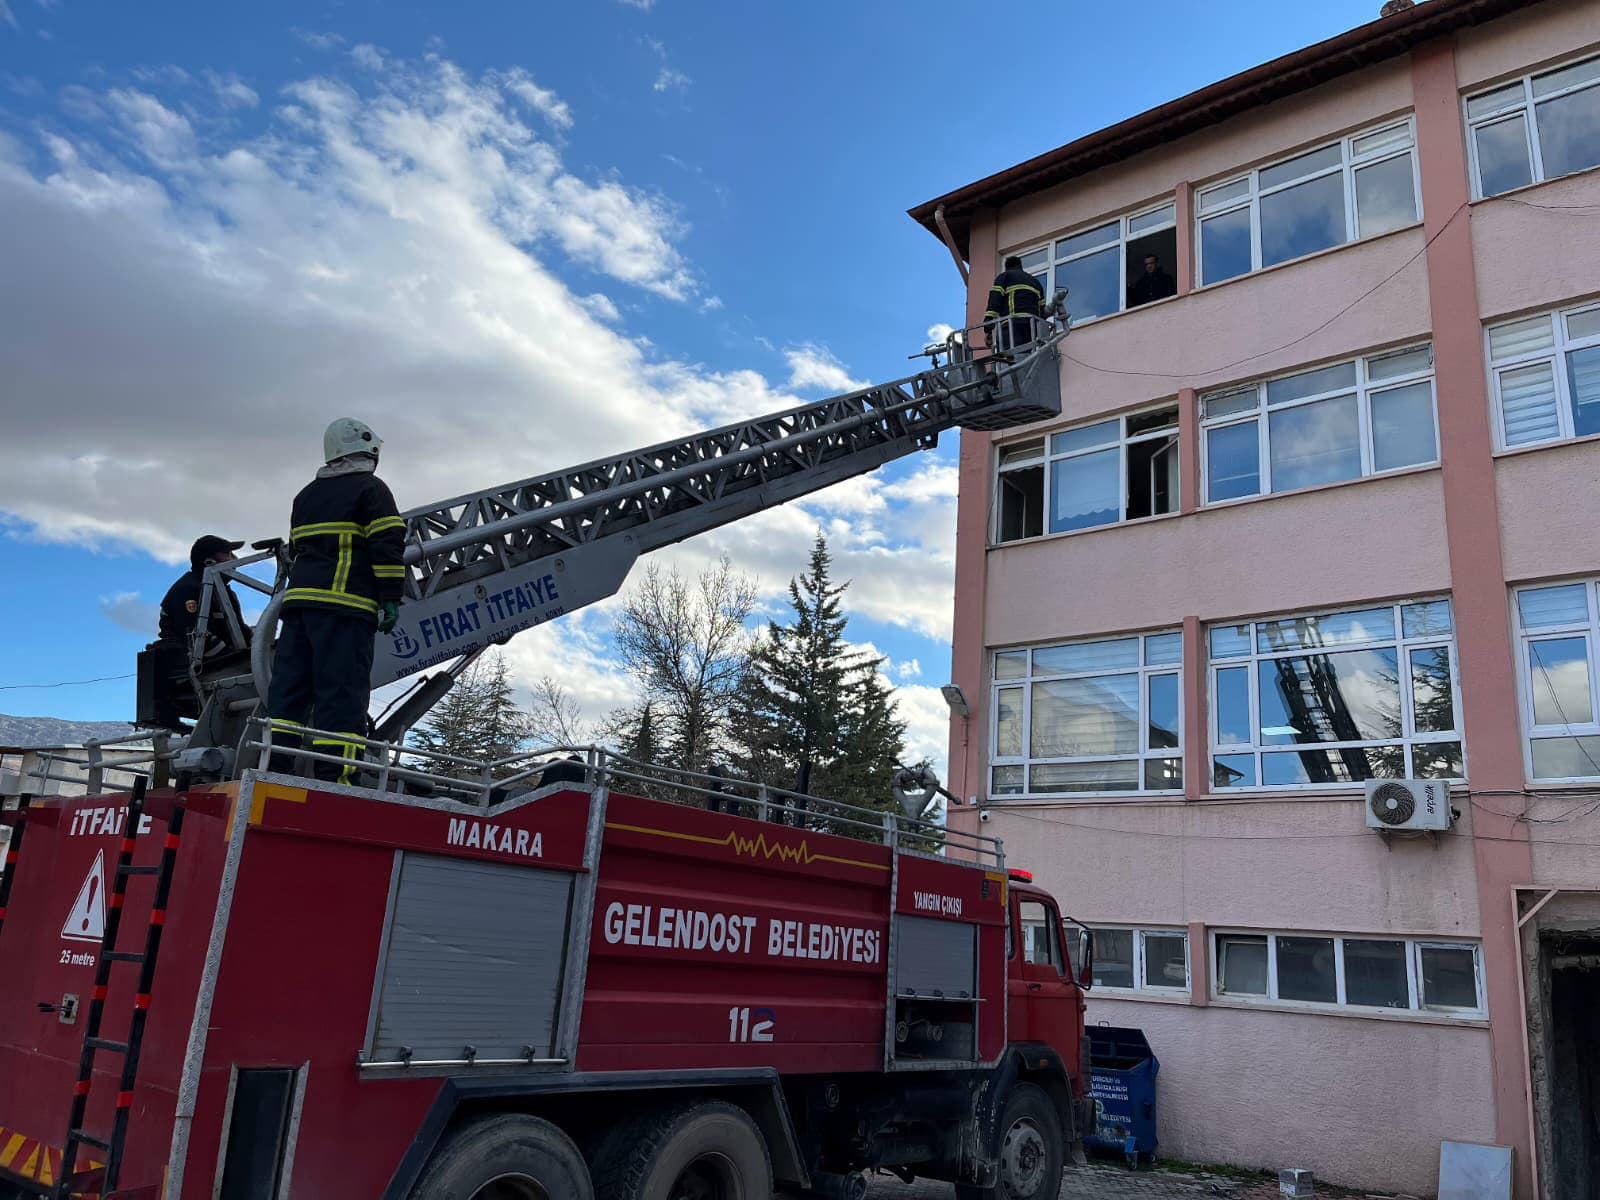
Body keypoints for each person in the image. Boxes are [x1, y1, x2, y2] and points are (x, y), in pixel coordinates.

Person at [266, 418, 407, 785]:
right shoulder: (371, 491)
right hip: (345, 606)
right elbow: (387, 544)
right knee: (341, 694)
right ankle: (337, 780)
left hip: (298, 607)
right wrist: (391, 597)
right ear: (369, 452)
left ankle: (276, 769)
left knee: (289, 695)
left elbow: (298, 549)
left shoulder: (306, 495)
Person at [149, 535, 252, 730]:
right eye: (227, 553)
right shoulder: (187, 589)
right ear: (209, 561)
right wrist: (239, 661)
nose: (234, 559)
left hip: (223, 660)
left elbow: (242, 631)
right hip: (199, 663)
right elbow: (195, 637)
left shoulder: (225, 592)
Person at [983, 256, 1045, 350]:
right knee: (1027, 355)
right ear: (1020, 266)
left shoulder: (1005, 277)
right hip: (1031, 327)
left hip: (1012, 325)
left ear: (1006, 267)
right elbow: (1042, 310)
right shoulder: (1035, 282)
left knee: (1009, 357)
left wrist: (988, 324)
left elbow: (995, 301)